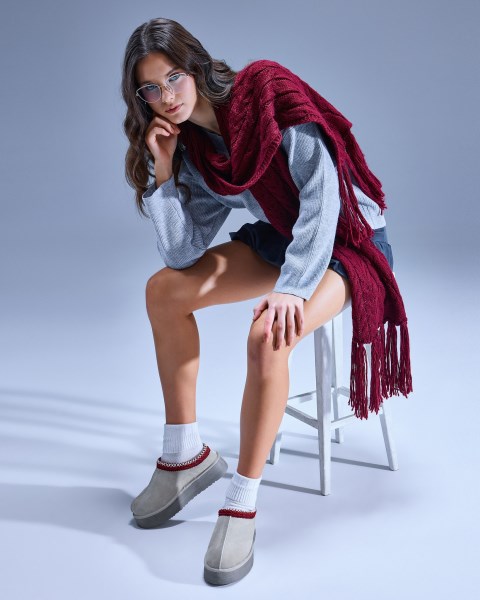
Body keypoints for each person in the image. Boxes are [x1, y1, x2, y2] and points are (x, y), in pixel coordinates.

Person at [121, 17, 406, 586]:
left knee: (267, 334)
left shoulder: (265, 90)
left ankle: (241, 504)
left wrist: (292, 288)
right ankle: (184, 456)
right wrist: (165, 168)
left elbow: (322, 195)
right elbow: (181, 252)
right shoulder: (197, 150)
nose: (166, 97)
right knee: (163, 291)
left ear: (195, 66)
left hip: (349, 240)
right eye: (150, 89)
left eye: (173, 77)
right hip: (284, 235)